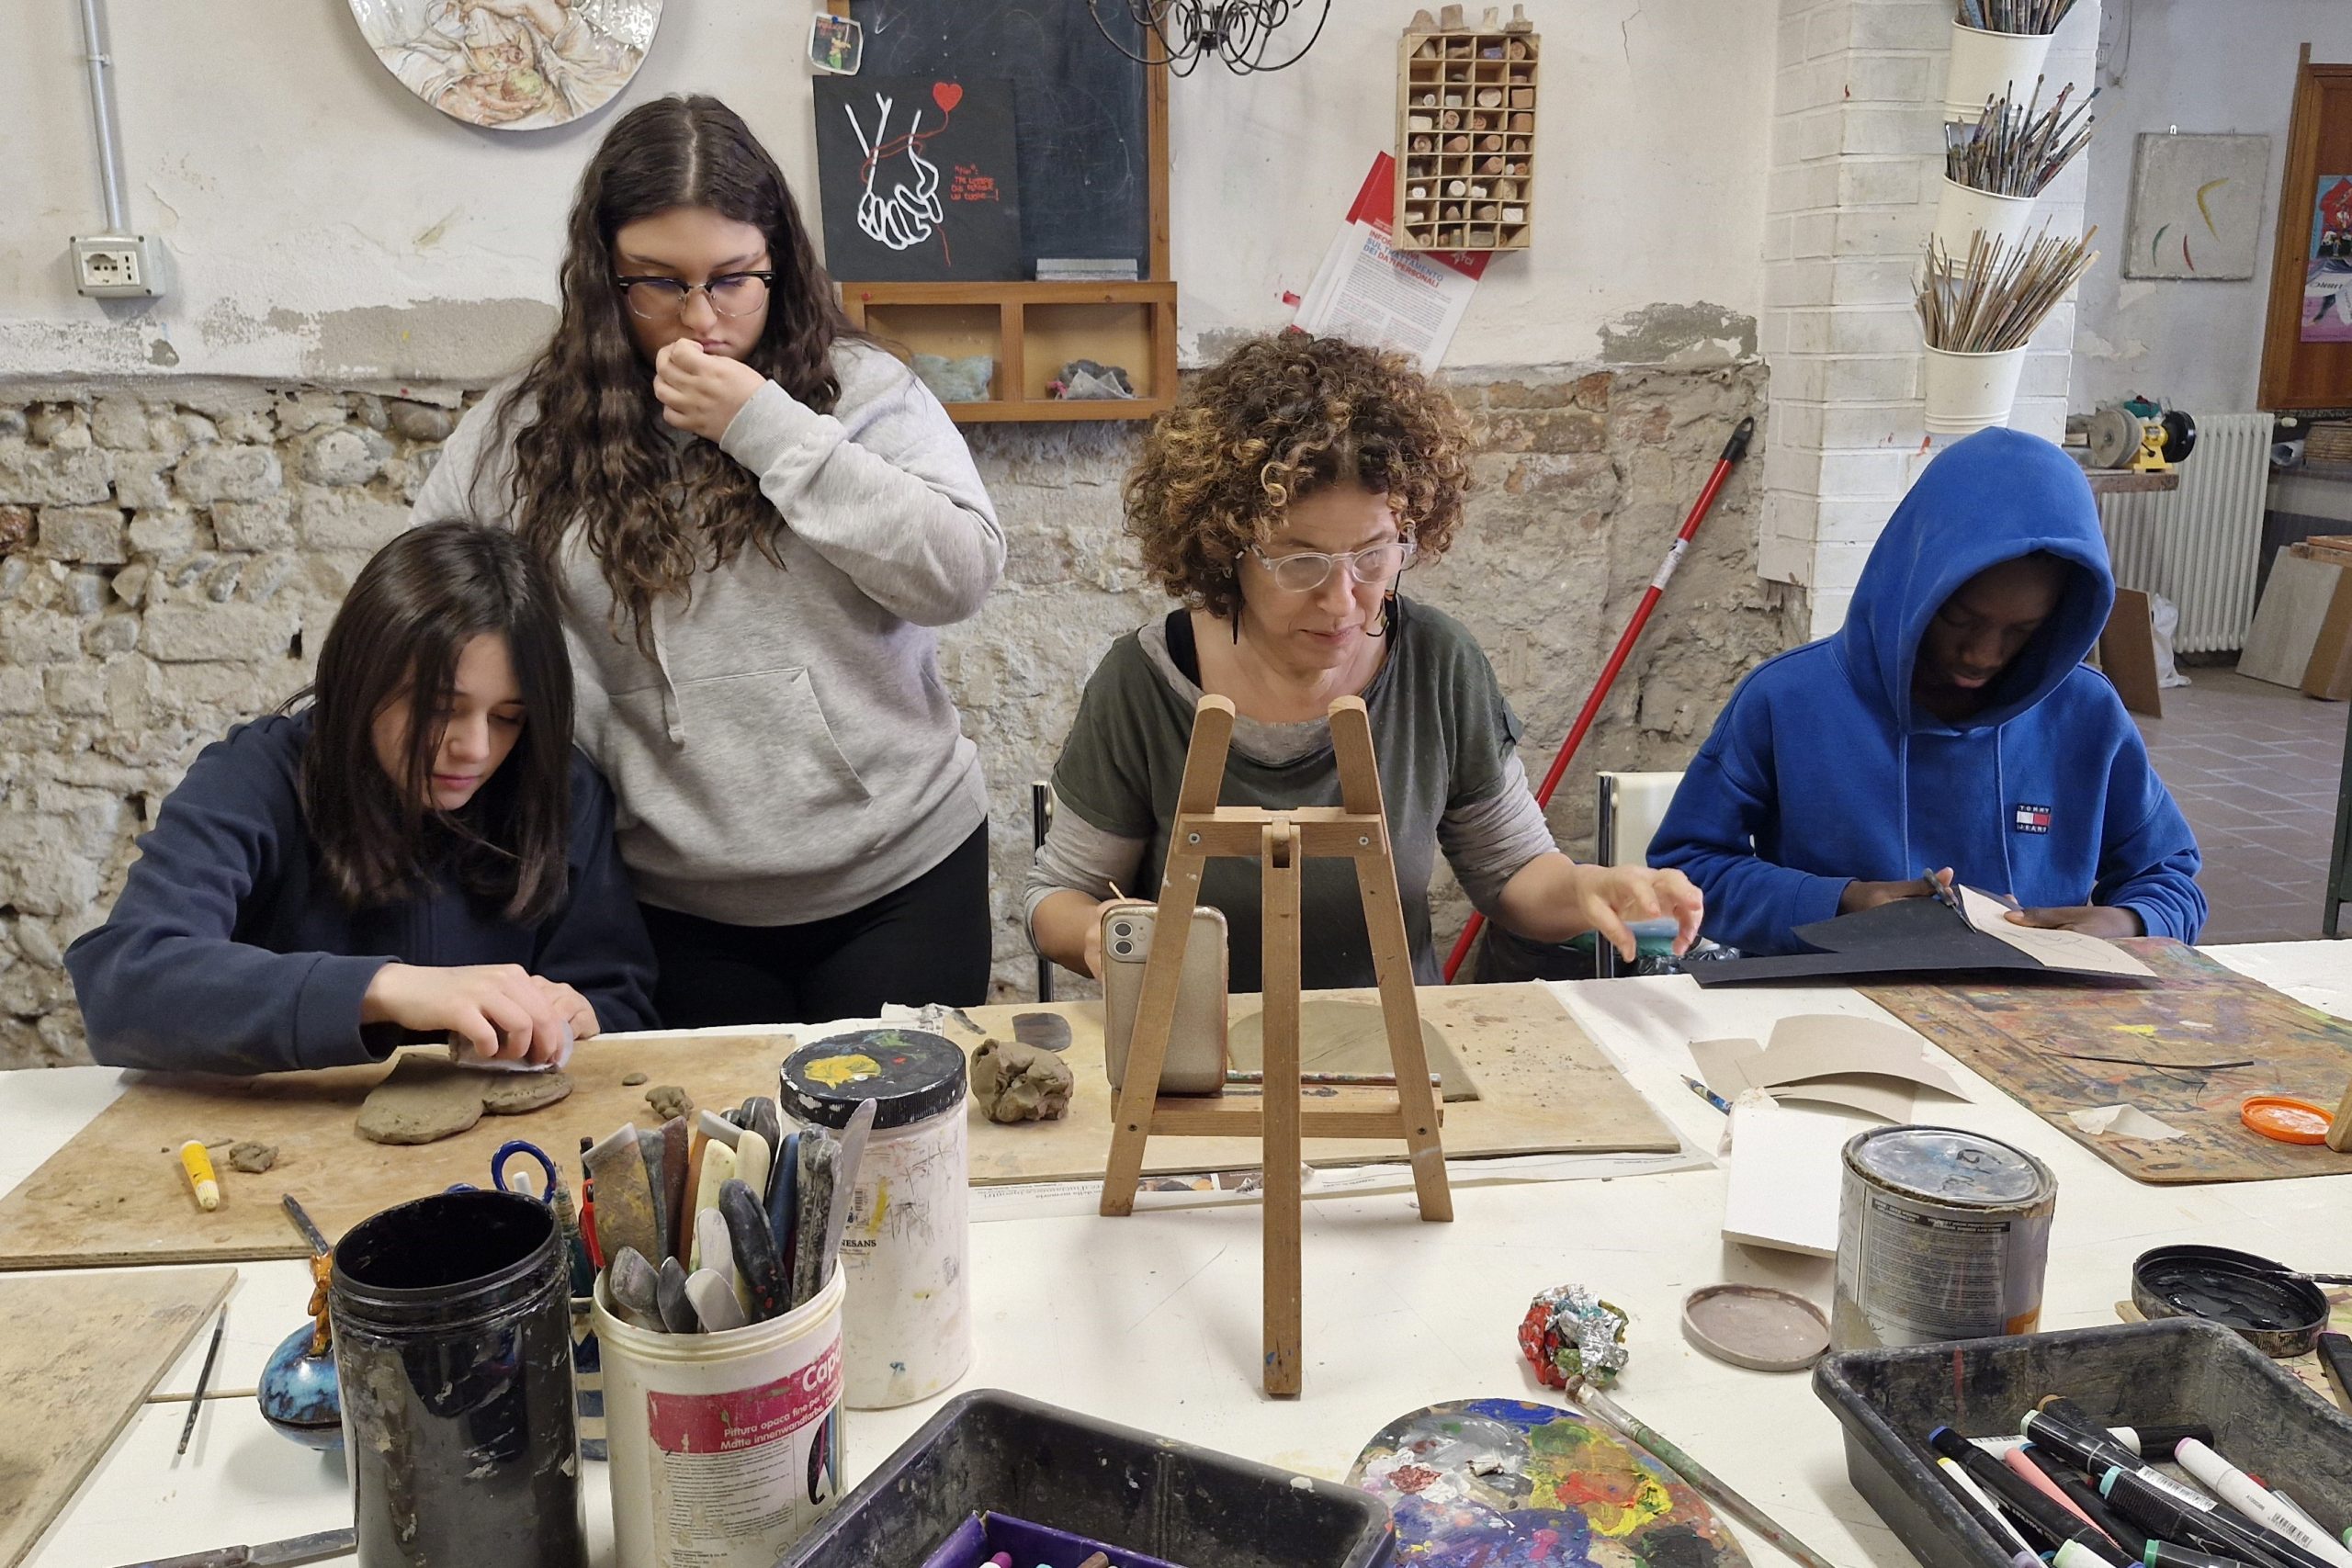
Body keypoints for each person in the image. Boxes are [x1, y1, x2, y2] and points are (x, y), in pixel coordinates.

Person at [413, 95, 1005, 1025]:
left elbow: (960, 575)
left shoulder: (864, 392)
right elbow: (417, 611)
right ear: (603, 274)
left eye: (732, 280)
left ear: (779, 264)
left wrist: (764, 426)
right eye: (658, 283)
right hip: (668, 896)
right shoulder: (523, 428)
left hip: (897, 873)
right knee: (713, 1125)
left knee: (895, 1123)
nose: (697, 320)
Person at [1024, 333, 1702, 990]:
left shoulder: (1436, 663)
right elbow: (1058, 897)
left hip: (1394, 1047)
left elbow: (1514, 871)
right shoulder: (1145, 681)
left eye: (1375, 554)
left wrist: (1590, 888)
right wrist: (1101, 932)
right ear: (1224, 550)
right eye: (1299, 561)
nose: (1341, 599)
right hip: (1197, 1048)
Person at [65, 523, 657, 1075]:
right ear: (362, 680)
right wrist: (387, 989)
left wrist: (582, 1017)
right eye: (440, 708)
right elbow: (124, 985)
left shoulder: (559, 790)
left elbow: (619, 1000)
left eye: (508, 717)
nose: (475, 749)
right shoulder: (256, 776)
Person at [1649, 427, 2206, 955]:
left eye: (2021, 632)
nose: (1982, 655)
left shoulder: (2086, 712)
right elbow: (1686, 872)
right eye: (1959, 620)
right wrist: (1840, 903)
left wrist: (2130, 922)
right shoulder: (1786, 700)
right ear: (1910, 583)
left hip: (2031, 1009)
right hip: (1825, 1006)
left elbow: (2169, 878)